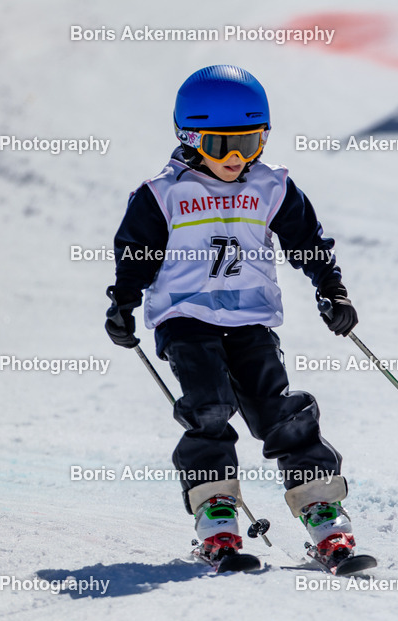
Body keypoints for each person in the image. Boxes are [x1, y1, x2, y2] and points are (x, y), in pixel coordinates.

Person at [104, 64, 360, 566]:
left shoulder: (272, 188)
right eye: (223, 146)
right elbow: (135, 252)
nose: (237, 158)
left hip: (250, 320)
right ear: (190, 137)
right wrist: (124, 304)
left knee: (277, 411)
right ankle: (216, 517)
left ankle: (321, 511)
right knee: (209, 407)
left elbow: (307, 242)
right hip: (186, 318)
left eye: (252, 142)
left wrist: (332, 289)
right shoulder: (163, 194)